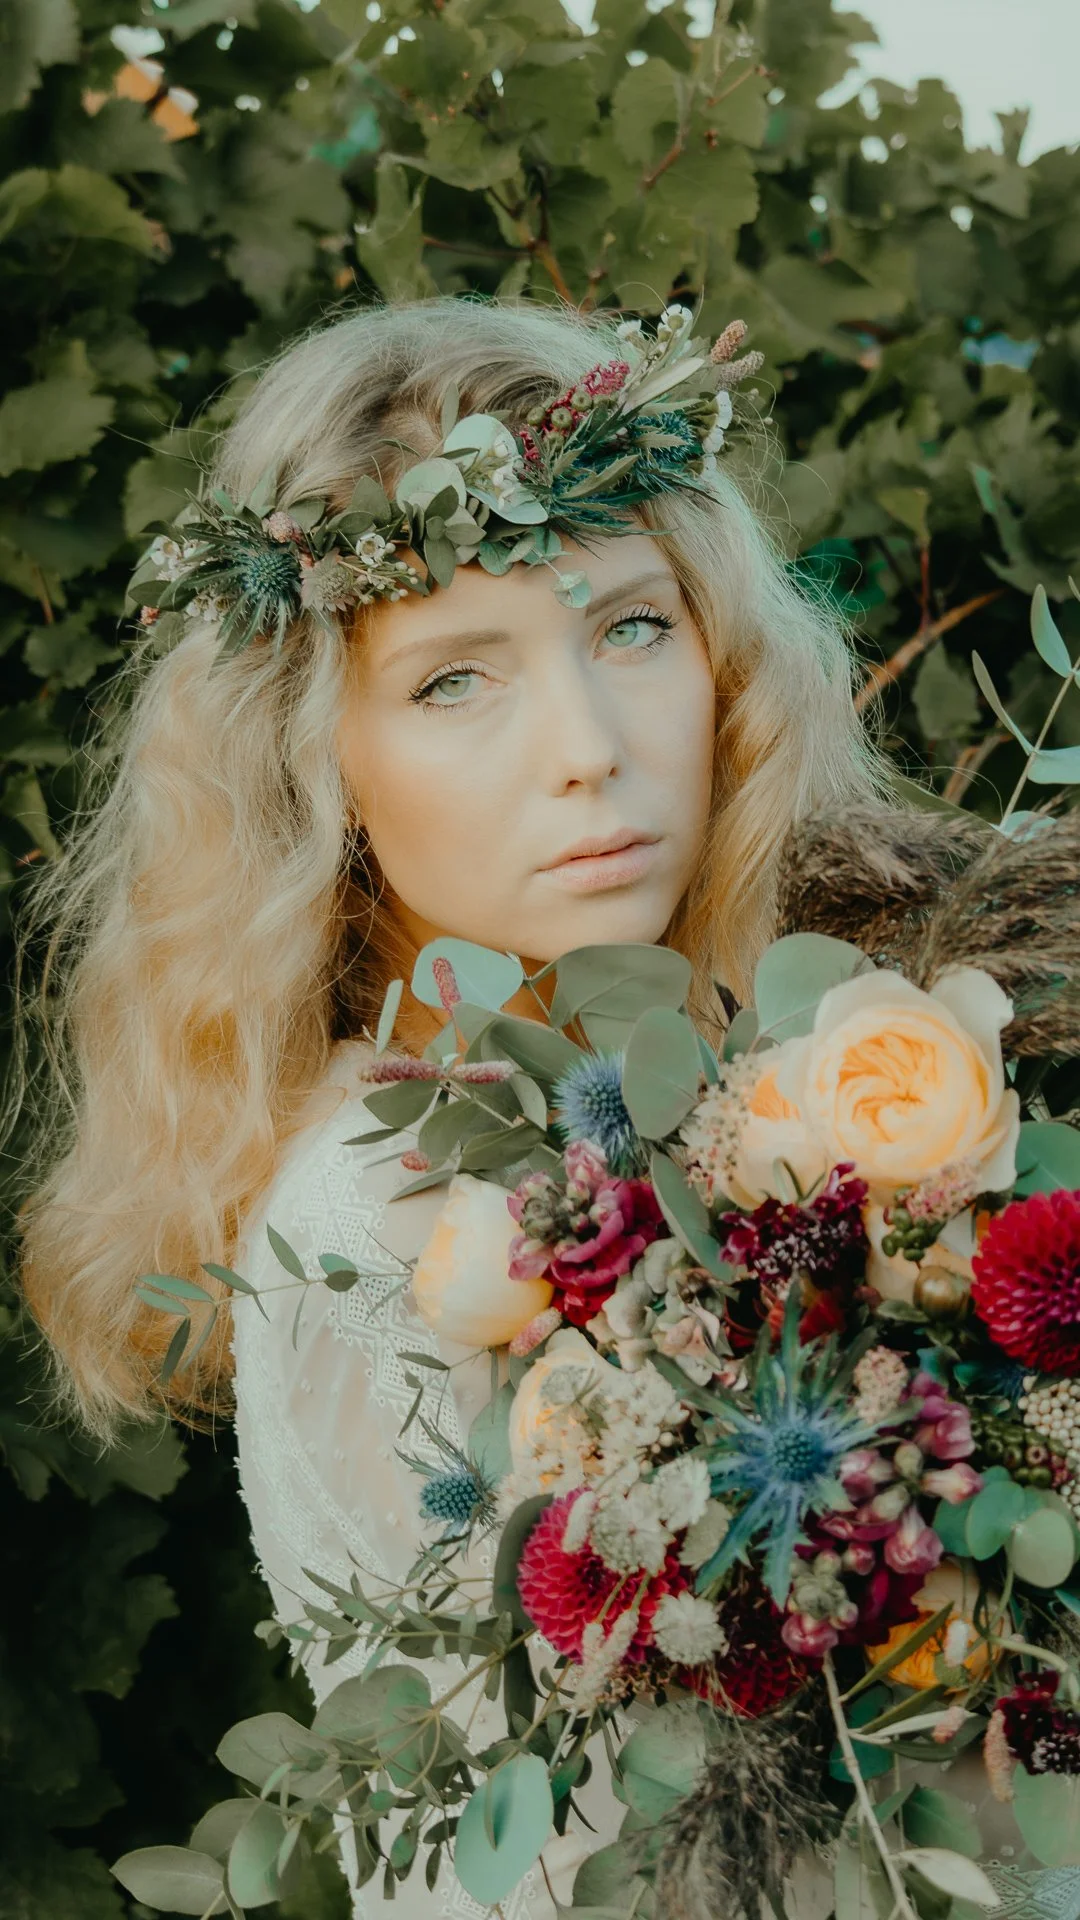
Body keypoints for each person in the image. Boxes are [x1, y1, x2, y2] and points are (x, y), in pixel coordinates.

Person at [4, 293, 883, 1915]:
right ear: (313, 762)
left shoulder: (740, 1080)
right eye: (455, 681)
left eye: (630, 628)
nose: (590, 752)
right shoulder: (383, 1213)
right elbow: (601, 1864)